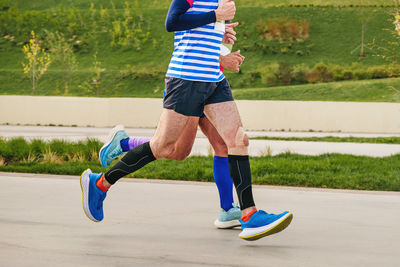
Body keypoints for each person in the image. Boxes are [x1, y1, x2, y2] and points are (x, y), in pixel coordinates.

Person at [80, 0, 292, 241]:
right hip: (186, 80)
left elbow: (197, 31)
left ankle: (249, 215)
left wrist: (218, 32)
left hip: (214, 79)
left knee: (237, 139)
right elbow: (173, 22)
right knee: (164, 147)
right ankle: (100, 184)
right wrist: (215, 15)